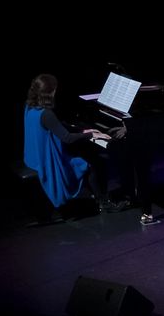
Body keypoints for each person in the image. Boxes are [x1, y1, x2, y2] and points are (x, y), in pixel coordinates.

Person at [23, 74, 130, 218]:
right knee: (95, 163)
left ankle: (95, 194)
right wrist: (90, 134)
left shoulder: (30, 107)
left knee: (87, 154)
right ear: (50, 92)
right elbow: (67, 138)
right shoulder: (46, 114)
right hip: (47, 163)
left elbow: (56, 126)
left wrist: (82, 130)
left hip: (34, 157)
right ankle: (104, 204)